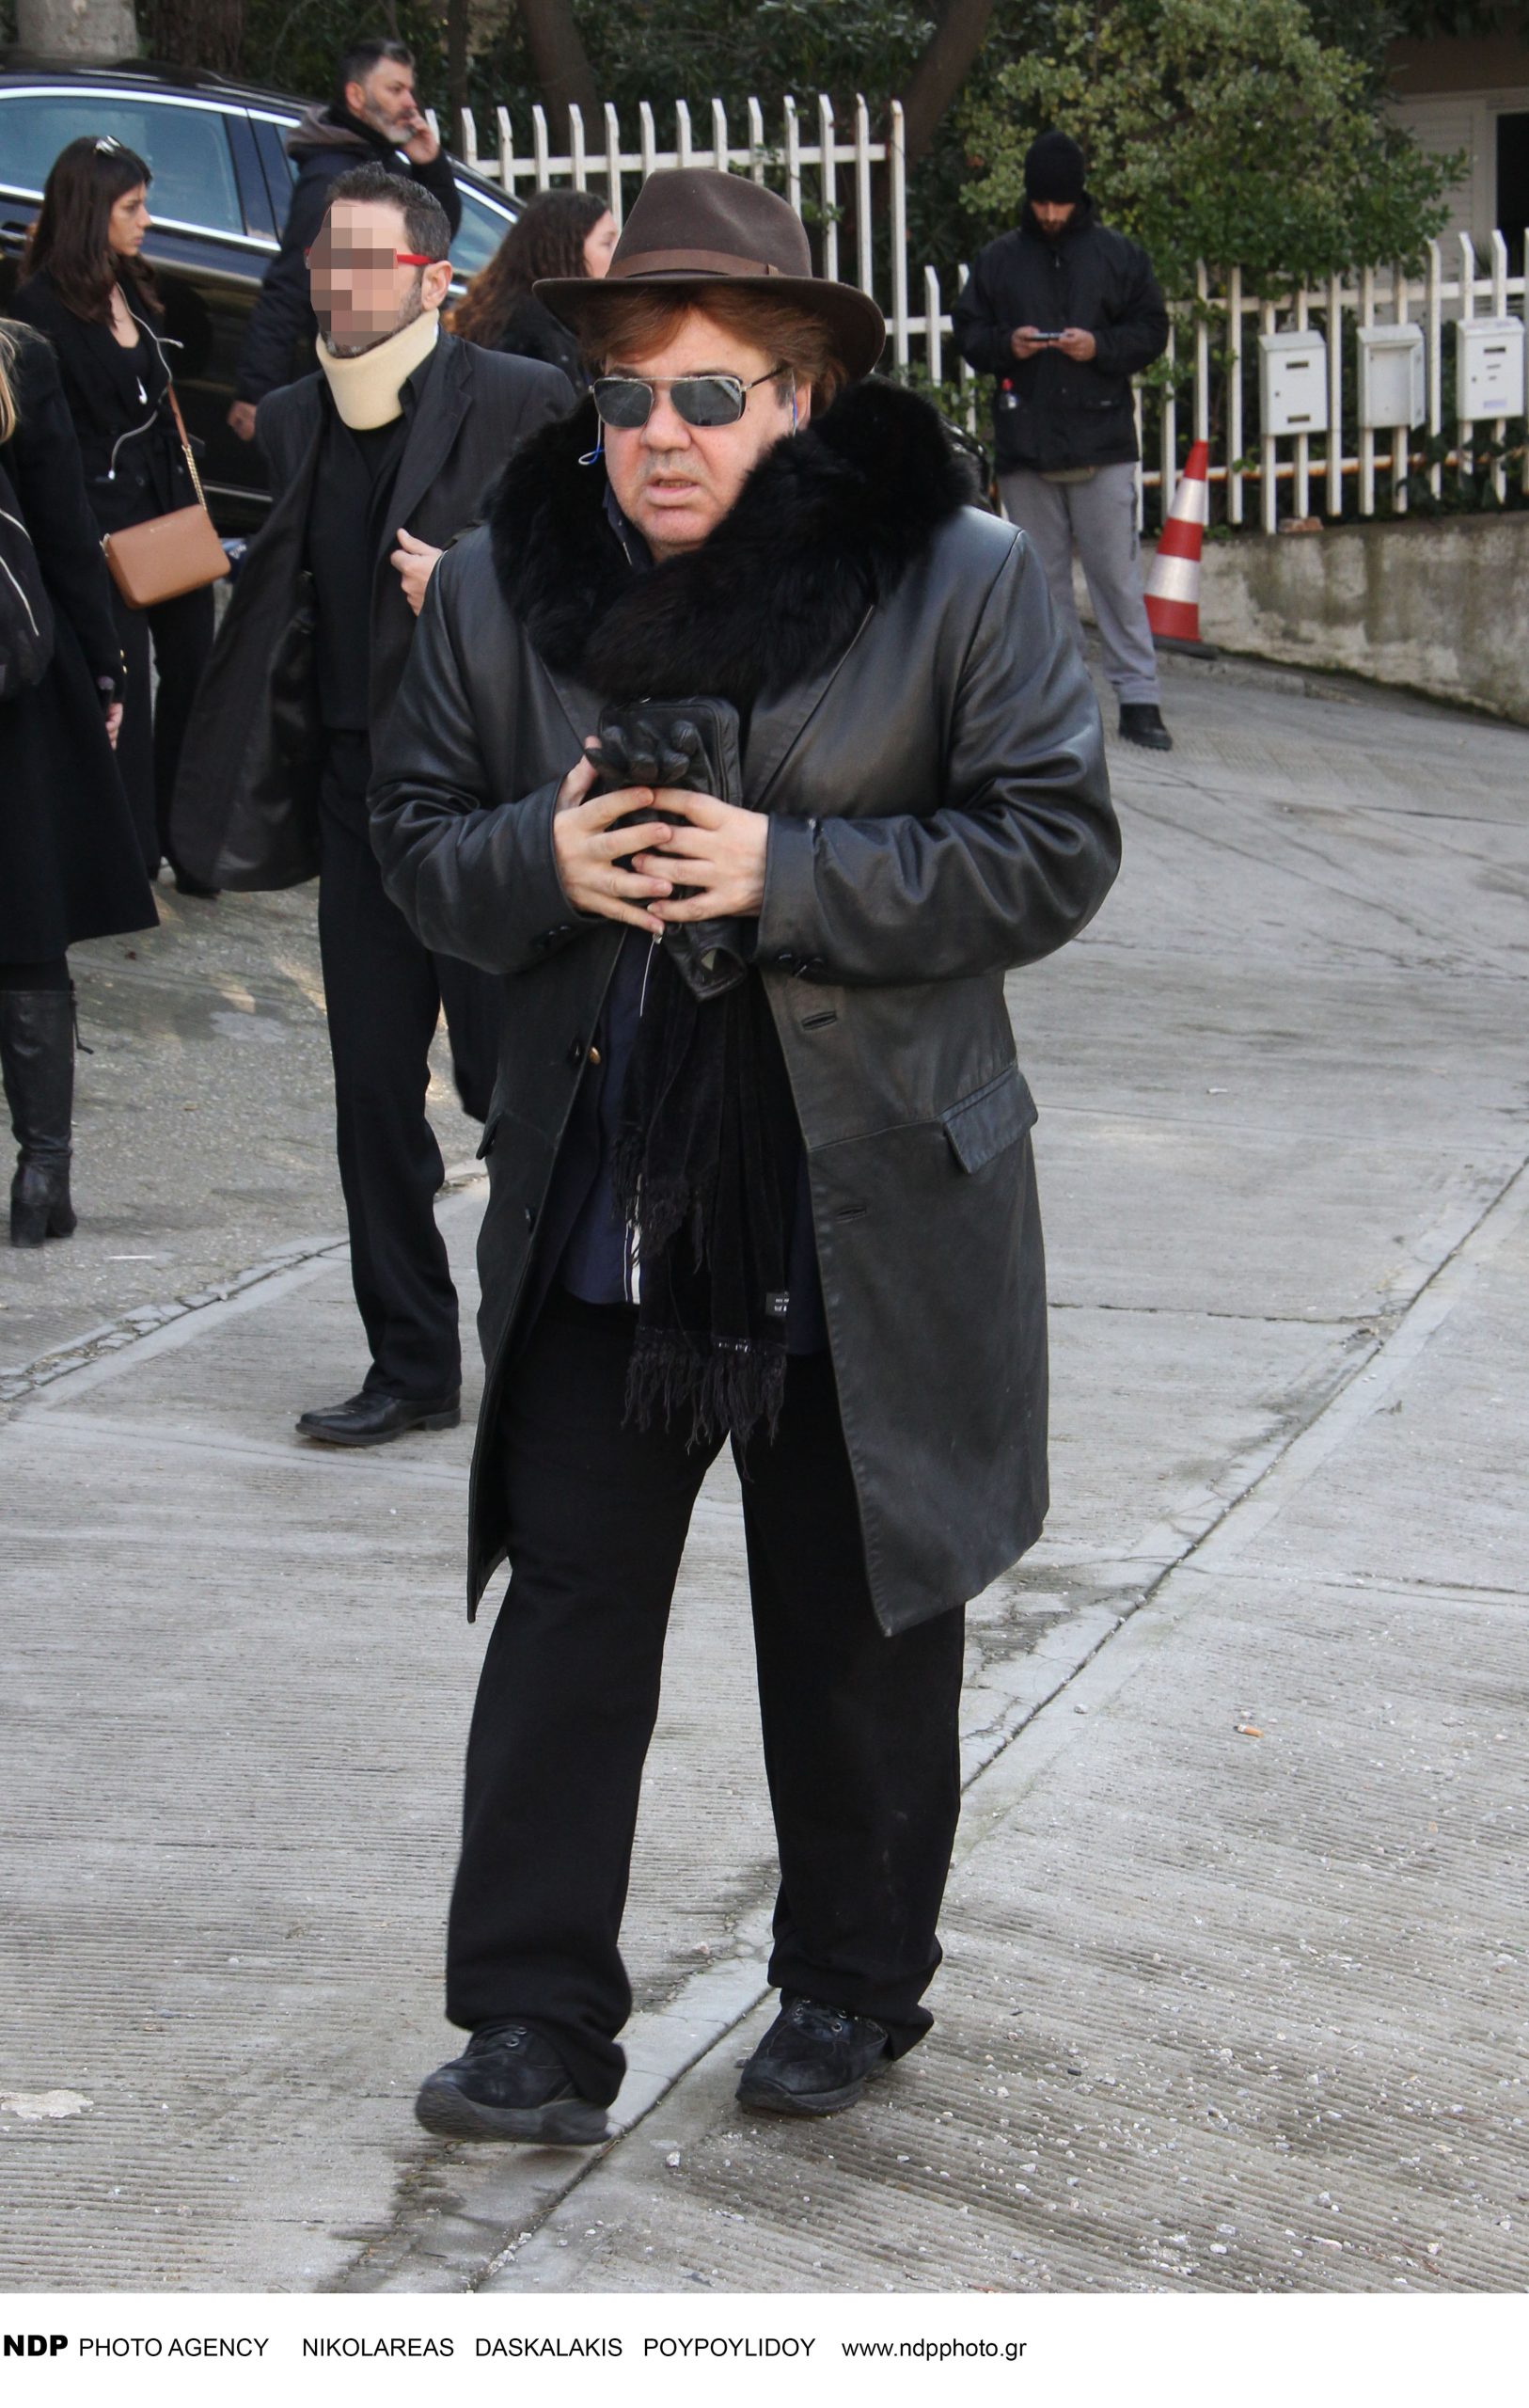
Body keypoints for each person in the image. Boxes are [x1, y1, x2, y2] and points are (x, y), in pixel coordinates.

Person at [368, 166, 1120, 2143]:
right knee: (568, 1611)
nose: (660, 436)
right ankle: (531, 2017)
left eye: (710, 395)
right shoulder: (509, 584)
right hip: (602, 1195)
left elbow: (1052, 846)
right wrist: (542, 856)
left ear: (802, 397)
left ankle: (850, 1982)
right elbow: (412, 836)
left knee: (856, 1621)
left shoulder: (959, 577)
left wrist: (792, 871)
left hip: (861, 1195)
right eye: (625, 395)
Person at [169, 166, 568, 1446]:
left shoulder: (521, 398)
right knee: (372, 1098)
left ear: (432, 279)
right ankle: (411, 1365)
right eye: (321, 261)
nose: (331, 284)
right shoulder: (295, 418)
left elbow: (591, 573)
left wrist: (472, 582)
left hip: (485, 805)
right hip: (360, 802)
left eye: (360, 262)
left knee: (518, 1093)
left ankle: (551, 1361)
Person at [10, 135, 218, 887]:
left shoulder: (130, 284)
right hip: (100, 526)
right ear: (90, 211)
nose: (146, 220)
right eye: (132, 207)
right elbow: (45, 440)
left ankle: (185, 837)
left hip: (167, 519)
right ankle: (127, 851)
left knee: (197, 669)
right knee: (120, 684)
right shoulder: (38, 309)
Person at [0, 317, 157, 1245]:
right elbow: (66, 532)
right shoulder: (19, 358)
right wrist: (105, 669)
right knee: (24, 922)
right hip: (17, 689)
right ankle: (40, 1172)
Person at [954, 131, 1174, 752]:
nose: (1051, 213)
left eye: (1061, 202)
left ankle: (1139, 700)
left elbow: (1152, 329)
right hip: (1026, 442)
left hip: (1102, 441)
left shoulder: (1118, 255)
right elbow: (968, 332)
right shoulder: (1000, 259)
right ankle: (1061, 704)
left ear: (1079, 196)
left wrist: (1099, 346)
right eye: (1041, 202)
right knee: (1041, 585)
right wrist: (1008, 344)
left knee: (1115, 576)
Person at [228, 36, 462, 436]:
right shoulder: (332, 179)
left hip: (384, 375)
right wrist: (256, 392)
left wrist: (431, 165)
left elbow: (433, 236)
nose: (410, 103)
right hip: (347, 386)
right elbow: (292, 285)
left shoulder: (381, 160)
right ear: (356, 95)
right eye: (395, 90)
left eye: (410, 90)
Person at [449, 188, 616, 391]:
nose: (618, 253)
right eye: (607, 243)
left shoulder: (497, 313)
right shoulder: (541, 334)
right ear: (565, 249)